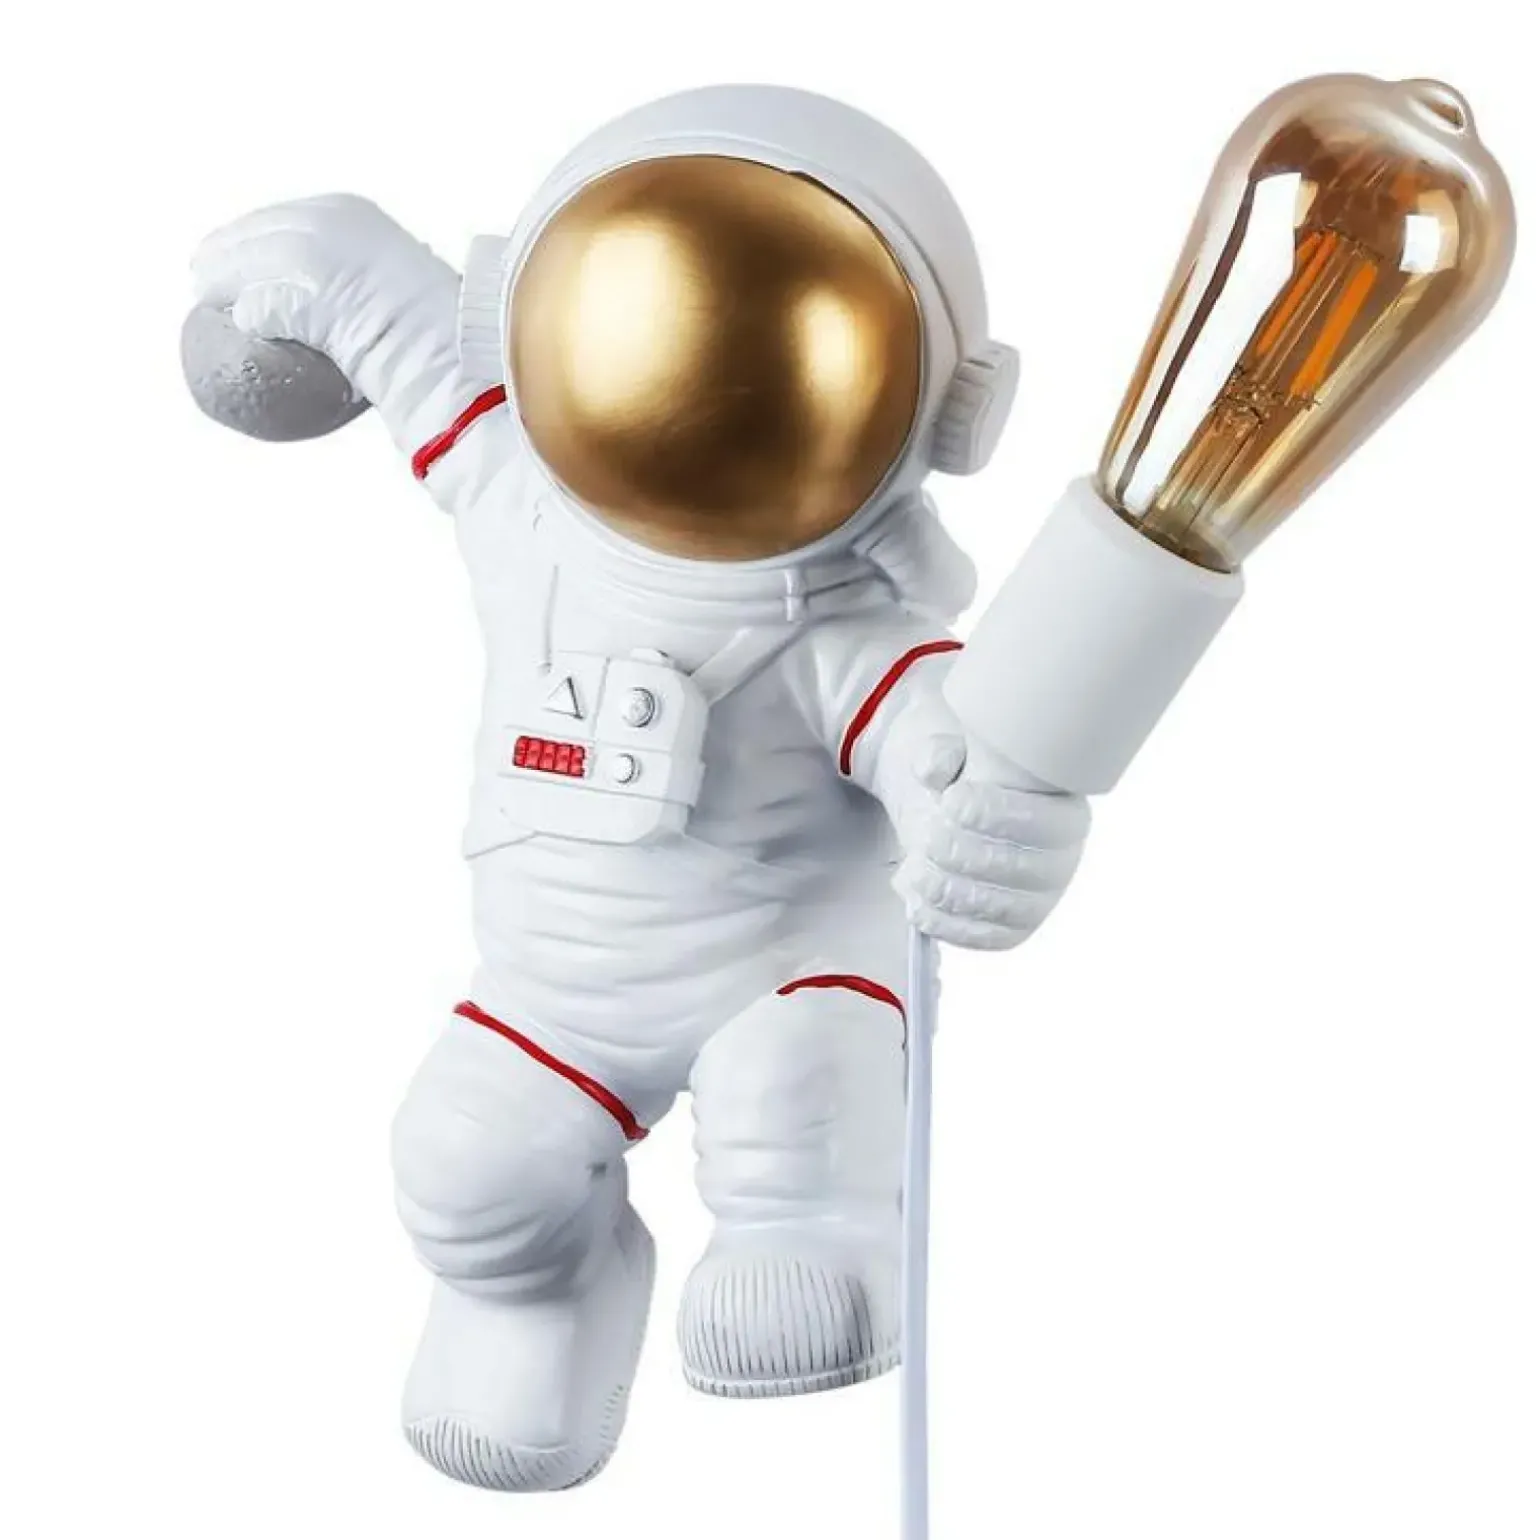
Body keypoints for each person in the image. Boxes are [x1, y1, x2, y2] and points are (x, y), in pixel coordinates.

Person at [188, 84, 1090, 1493]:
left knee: (797, 1113)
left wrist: (994, 823)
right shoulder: (527, 506)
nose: (685, 389)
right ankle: (537, 1301)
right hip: (551, 993)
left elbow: (943, 742)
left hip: (782, 976)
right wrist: (333, 269)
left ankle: (815, 1243)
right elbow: (422, 350)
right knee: (464, 1176)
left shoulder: (842, 625)